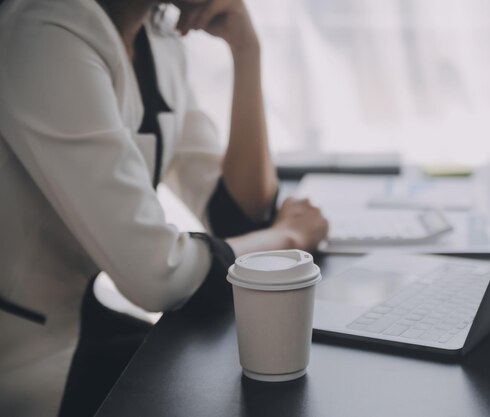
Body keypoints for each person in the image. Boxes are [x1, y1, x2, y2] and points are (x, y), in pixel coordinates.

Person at [0, 0, 328, 415]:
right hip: (26, 356)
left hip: (80, 325)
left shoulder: (156, 35)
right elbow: (158, 276)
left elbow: (237, 211)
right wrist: (289, 238)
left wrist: (247, 51)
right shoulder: (45, 35)